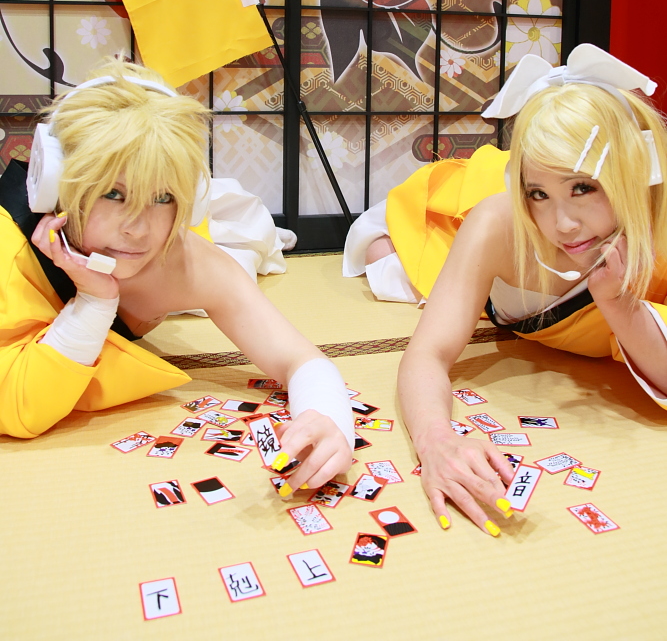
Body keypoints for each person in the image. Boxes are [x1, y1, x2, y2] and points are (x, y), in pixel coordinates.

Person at [345, 44, 667, 535]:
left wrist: (618, 303)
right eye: (539, 193)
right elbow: (427, 353)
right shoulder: (499, 222)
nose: (563, 223)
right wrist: (435, 440)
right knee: (383, 257)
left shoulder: (658, 227)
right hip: (461, 224)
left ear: (630, 172)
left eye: (583, 188)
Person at [0, 57, 354, 494]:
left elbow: (299, 359)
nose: (137, 227)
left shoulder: (185, 262)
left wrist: (329, 421)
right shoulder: (7, 248)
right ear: (54, 184)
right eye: (113, 193)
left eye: (163, 197)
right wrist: (94, 303)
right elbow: (18, 407)